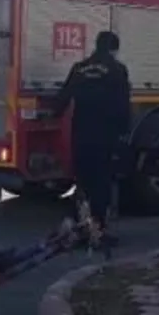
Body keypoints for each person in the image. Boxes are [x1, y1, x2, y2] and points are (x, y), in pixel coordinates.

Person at [53, 31, 131, 247]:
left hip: (80, 135)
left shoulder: (79, 68)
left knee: (83, 184)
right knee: (101, 186)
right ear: (114, 49)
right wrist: (123, 134)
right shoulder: (117, 70)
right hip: (104, 137)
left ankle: (80, 228)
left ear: (96, 46)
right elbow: (123, 106)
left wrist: (51, 114)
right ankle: (98, 232)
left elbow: (63, 98)